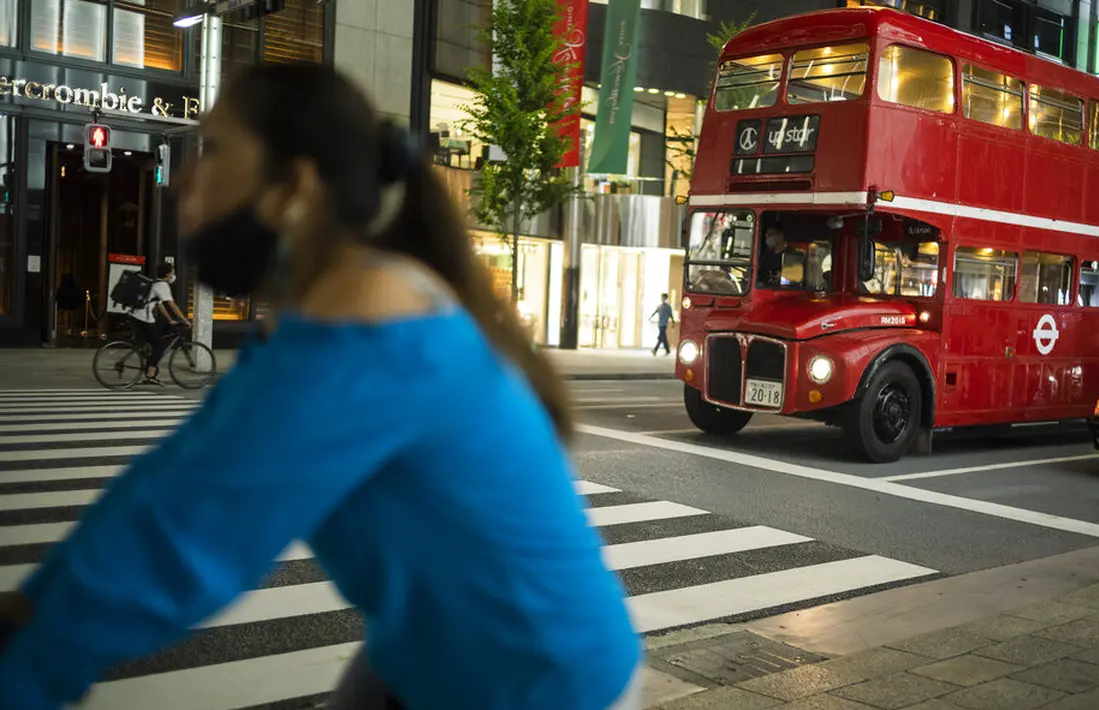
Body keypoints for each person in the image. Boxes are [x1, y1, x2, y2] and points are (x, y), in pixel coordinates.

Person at [0, 64, 641, 710]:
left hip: (538, 683)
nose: (185, 180)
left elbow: (185, 530)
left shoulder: (365, 318)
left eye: (215, 148)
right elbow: (183, 474)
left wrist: (23, 655)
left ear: (293, 188)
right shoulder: (342, 301)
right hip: (430, 648)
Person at [129, 261, 190, 384]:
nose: (174, 275)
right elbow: (172, 305)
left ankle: (148, 353)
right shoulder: (162, 285)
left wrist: (170, 320)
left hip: (136, 316)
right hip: (143, 318)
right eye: (172, 272)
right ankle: (150, 375)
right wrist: (185, 320)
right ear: (167, 274)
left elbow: (160, 305)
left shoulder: (154, 283)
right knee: (160, 346)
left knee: (161, 330)